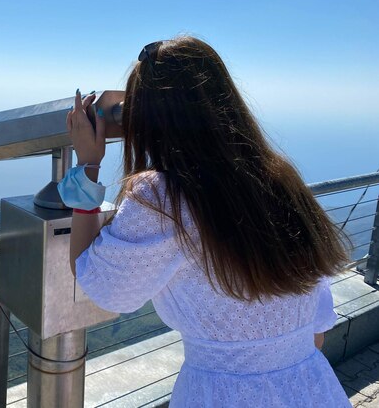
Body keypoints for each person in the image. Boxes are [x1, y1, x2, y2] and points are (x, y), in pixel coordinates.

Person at [60, 36, 351, 407]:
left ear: (147, 118)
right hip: (312, 388)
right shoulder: (280, 179)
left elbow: (99, 284)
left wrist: (88, 165)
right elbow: (317, 334)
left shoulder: (161, 197)